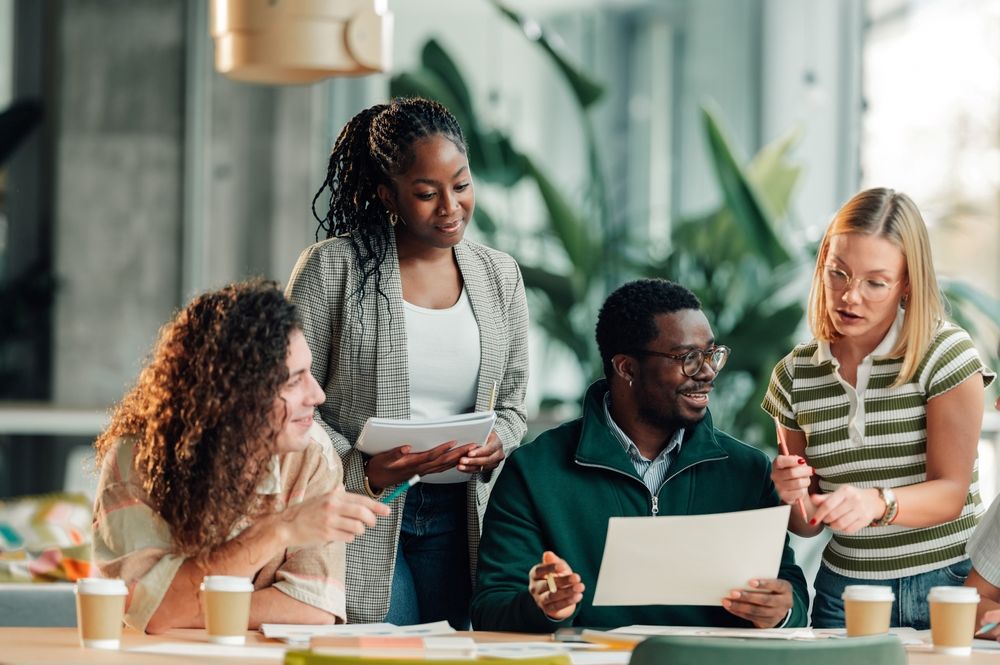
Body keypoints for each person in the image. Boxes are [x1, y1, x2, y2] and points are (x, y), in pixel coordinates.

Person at [285, 97, 529, 627]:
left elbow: (512, 403)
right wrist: (362, 469)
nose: (450, 207)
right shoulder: (334, 268)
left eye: (461, 185)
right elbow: (283, 396)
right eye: (426, 193)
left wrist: (496, 445)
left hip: (462, 516)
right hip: (360, 510)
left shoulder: (499, 276)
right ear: (386, 195)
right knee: (383, 650)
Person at [471, 278, 808, 632]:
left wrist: (781, 610)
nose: (708, 372)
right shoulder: (534, 472)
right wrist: (546, 607)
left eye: (711, 354)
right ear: (627, 368)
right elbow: (491, 608)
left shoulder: (749, 471)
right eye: (688, 358)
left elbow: (792, 593)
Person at [92, 281, 390, 633]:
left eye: (310, 373)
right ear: (234, 397)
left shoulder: (314, 455)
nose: (318, 395)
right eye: (294, 381)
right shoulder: (140, 458)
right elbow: (149, 610)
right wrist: (280, 529)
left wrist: (183, 606)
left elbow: (312, 608)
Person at [765, 188, 995, 629]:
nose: (850, 297)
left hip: (951, 585)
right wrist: (790, 492)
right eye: (839, 274)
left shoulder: (946, 354)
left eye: (875, 282)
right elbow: (808, 524)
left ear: (908, 281)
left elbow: (950, 493)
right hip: (845, 593)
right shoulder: (794, 376)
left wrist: (877, 503)